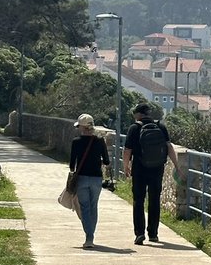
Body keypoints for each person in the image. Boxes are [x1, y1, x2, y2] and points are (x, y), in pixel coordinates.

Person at [123, 102, 178, 245]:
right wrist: (177, 166)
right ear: (148, 113)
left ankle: (139, 233)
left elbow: (127, 150)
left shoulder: (134, 128)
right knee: (154, 200)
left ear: (137, 114)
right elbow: (169, 146)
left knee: (138, 201)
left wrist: (126, 166)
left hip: (139, 168)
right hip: (157, 168)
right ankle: (153, 234)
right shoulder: (160, 127)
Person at [69, 113, 110, 249]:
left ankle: (89, 236)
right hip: (96, 178)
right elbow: (106, 161)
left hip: (81, 178)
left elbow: (71, 165)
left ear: (82, 127)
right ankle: (91, 235)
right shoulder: (99, 141)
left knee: (85, 208)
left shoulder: (76, 142)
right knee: (93, 206)